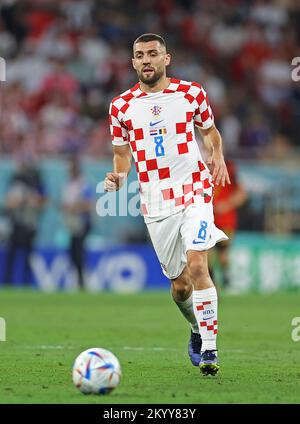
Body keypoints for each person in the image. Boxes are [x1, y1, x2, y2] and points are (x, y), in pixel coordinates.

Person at [104, 33, 230, 376]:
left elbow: (209, 131)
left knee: (199, 265)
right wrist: (118, 176)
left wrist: (216, 154)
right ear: (133, 62)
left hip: (194, 189)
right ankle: (194, 328)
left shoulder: (191, 93)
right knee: (179, 286)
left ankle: (209, 348)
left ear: (166, 58)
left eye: (153, 54)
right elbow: (121, 154)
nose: (146, 60)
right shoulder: (121, 106)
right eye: (140, 55)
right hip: (156, 200)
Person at [3, 158, 47, 285]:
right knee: (12, 255)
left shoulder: (36, 184)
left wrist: (33, 201)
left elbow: (43, 202)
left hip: (29, 224)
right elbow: (9, 203)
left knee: (27, 256)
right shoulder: (16, 183)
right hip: (17, 223)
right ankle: (8, 281)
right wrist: (22, 201)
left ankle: (26, 282)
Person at [210, 160, 247, 290]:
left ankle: (225, 276)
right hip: (208, 221)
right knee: (207, 255)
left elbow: (241, 194)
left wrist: (227, 204)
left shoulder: (229, 169)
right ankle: (213, 286)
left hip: (225, 221)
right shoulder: (198, 166)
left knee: (223, 254)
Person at [61, 156, 93, 289]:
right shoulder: (69, 185)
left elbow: (88, 204)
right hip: (72, 223)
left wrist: (74, 208)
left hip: (82, 222)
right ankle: (79, 280)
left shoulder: (83, 185)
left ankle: (82, 281)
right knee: (74, 251)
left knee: (78, 251)